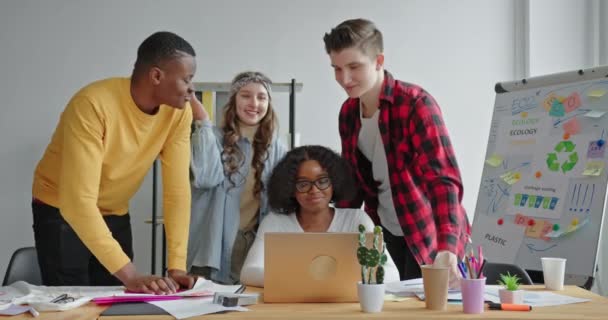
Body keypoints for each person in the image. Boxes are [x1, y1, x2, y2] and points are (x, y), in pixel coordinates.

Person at [31, 31, 197, 294]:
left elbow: (177, 192)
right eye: (187, 80)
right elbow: (78, 203)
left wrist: (176, 266)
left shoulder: (179, 113)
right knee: (73, 302)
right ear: (156, 76)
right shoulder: (92, 104)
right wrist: (131, 275)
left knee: (116, 301)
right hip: (60, 208)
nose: (192, 90)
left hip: (113, 209)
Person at [323, 19, 470, 287]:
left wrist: (447, 246)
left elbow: (443, 180)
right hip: (384, 232)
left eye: (354, 67)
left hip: (429, 234)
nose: (344, 79)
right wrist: (333, 236)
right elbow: (352, 187)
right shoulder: (348, 113)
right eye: (337, 69)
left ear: (378, 61)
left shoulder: (416, 104)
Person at [240, 145, 400, 287]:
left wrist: (331, 280)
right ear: (290, 189)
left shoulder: (357, 220)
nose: (314, 190)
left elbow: (392, 275)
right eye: (303, 184)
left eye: (322, 181)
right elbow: (248, 272)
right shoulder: (274, 223)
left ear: (334, 183)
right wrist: (306, 280)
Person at [188, 71, 287, 284]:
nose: (254, 103)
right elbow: (205, 178)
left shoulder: (277, 148)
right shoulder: (211, 137)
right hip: (211, 245)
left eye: (262, 97)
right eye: (245, 95)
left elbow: (279, 203)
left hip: (253, 245)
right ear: (234, 100)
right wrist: (203, 121)